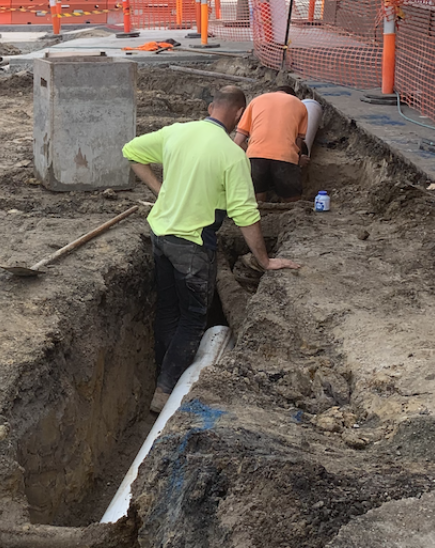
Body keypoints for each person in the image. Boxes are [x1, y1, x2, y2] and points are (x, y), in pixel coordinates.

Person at [122, 86, 301, 414]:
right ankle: (165, 390)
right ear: (238, 115)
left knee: (167, 310)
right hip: (192, 244)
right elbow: (246, 215)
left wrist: (160, 189)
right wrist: (265, 260)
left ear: (210, 107)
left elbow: (131, 150)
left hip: (160, 234)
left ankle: (162, 377)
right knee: (192, 318)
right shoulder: (231, 155)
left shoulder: (177, 132)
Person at [232, 86, 309, 203]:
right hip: (285, 156)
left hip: (255, 156)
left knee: (257, 200)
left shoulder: (256, 101)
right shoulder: (300, 105)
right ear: (293, 96)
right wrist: (298, 161)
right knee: (293, 203)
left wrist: (253, 152)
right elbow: (298, 143)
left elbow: (237, 141)